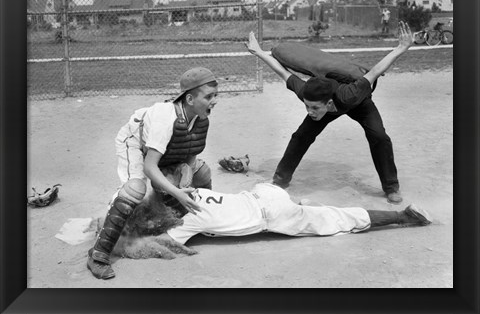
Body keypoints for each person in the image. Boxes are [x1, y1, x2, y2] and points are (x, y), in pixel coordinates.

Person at [245, 21, 414, 204]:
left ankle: (391, 187)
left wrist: (401, 48)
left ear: (329, 102)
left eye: (314, 108)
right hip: (328, 105)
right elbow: (282, 71)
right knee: (300, 136)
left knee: (379, 136)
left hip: (360, 104)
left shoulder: (349, 94)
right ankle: (280, 181)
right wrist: (259, 52)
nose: (310, 112)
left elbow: (374, 72)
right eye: (307, 106)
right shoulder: (306, 93)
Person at [87, 67, 219, 280]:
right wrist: (176, 192)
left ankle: (194, 221)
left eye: (216, 96)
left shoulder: (201, 118)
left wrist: (184, 180)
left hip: (161, 148)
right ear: (190, 99)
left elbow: (189, 153)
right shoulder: (164, 120)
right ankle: (98, 254)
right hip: (135, 144)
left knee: (201, 172)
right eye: (209, 96)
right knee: (136, 189)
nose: (214, 101)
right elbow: (150, 167)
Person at [158, 181, 431, 246]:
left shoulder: (193, 219)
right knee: (308, 210)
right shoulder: (195, 191)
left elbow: (164, 243)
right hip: (265, 192)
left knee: (341, 219)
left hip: (274, 214)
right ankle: (305, 206)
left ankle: (403, 217)